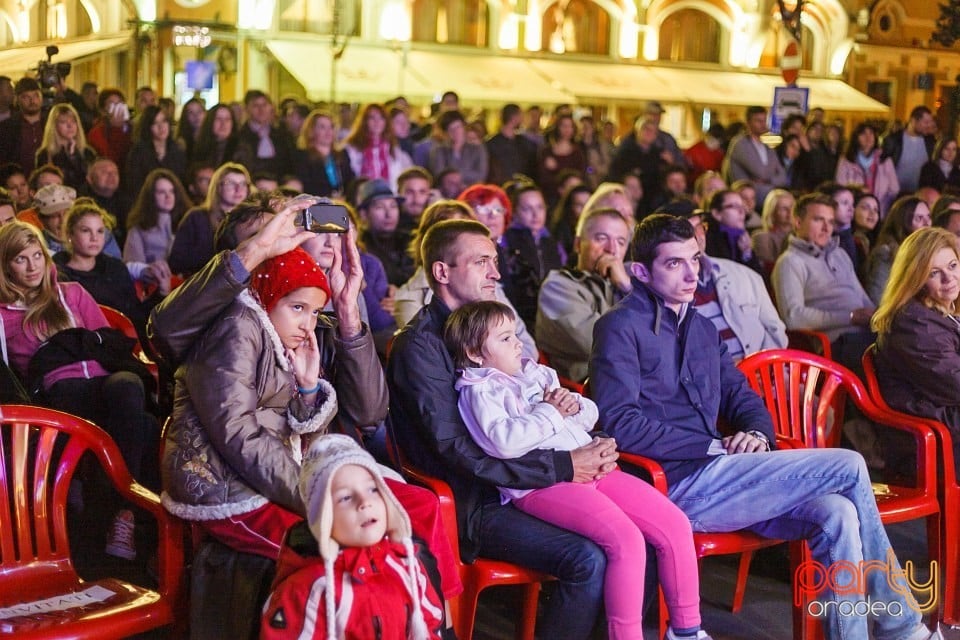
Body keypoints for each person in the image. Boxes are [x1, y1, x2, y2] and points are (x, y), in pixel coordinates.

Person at [589, 213, 943, 640]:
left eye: (695, 260)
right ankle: (902, 626)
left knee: (840, 512)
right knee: (848, 465)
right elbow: (619, 424)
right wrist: (712, 446)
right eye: (674, 264)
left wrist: (756, 434)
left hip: (721, 476)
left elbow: (744, 397)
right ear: (641, 271)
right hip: (671, 485)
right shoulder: (619, 327)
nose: (690, 275)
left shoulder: (700, 328)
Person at [387, 219, 612, 640]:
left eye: (495, 260)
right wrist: (562, 466)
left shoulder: (493, 326)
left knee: (637, 530)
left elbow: (532, 407)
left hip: (526, 480)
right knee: (588, 559)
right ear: (442, 272)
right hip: (477, 502)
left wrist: (583, 439)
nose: (496, 272)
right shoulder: (420, 345)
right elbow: (457, 452)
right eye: (482, 261)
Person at [447, 300, 709, 640]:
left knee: (674, 523)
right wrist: (551, 413)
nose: (518, 344)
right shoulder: (478, 390)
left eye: (515, 335)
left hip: (591, 467)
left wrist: (575, 405)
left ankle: (688, 631)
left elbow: (587, 417)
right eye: (505, 338)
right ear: (474, 352)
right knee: (626, 540)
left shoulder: (535, 373)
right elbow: (504, 442)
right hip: (544, 484)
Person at [0, 221, 159, 561]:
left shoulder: (71, 293)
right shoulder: (3, 316)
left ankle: (121, 511)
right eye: (20, 259)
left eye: (37, 256)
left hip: (104, 380)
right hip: (58, 393)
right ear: (5, 266)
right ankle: (116, 516)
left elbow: (109, 346)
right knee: (138, 426)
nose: (32, 267)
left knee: (130, 388)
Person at [261, 435, 445, 640]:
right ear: (322, 516)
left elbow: (430, 622)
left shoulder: (406, 565)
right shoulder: (307, 590)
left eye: (373, 489)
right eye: (346, 497)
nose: (364, 502)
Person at [872, 226, 960, 476]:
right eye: (935, 272)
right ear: (916, 279)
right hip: (931, 443)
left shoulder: (944, 309)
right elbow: (955, 385)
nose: (949, 278)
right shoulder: (913, 323)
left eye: (953, 265)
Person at [771, 193, 875, 372]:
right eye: (819, 220)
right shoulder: (790, 262)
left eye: (831, 221)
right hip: (836, 344)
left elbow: (863, 298)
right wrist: (850, 317)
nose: (827, 228)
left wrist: (880, 317)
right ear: (797, 223)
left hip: (865, 334)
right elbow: (794, 317)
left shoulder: (840, 254)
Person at [536, 207, 632, 382]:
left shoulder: (628, 281)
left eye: (621, 242)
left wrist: (626, 287)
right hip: (590, 392)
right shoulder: (558, 286)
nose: (612, 249)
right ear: (578, 244)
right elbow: (600, 343)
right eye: (601, 238)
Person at [53, 200, 157, 336]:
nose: (94, 238)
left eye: (100, 231)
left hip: (125, 343)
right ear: (70, 234)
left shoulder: (116, 268)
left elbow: (136, 314)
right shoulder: (57, 274)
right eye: (86, 230)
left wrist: (161, 292)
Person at [168, 162, 250, 276]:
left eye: (243, 184)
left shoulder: (250, 220)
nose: (238, 189)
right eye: (230, 183)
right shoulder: (196, 217)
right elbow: (176, 261)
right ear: (217, 186)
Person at [864, 195, 932, 305]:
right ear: (903, 223)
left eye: (928, 217)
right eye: (919, 218)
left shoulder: (926, 253)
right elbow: (877, 299)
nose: (927, 223)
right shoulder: (886, 253)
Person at [722, 106, 787, 206]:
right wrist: (772, 176)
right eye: (758, 121)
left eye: (764, 120)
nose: (763, 124)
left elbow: (783, 176)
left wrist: (767, 181)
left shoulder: (767, 148)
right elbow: (760, 172)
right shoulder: (740, 143)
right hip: (744, 201)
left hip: (765, 198)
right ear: (748, 123)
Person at [123, 105, 188, 201]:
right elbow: (134, 184)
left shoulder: (177, 151)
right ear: (148, 127)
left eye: (164, 121)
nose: (161, 127)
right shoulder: (138, 152)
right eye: (155, 123)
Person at [343, 103, 413, 192]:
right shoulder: (352, 148)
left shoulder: (392, 148)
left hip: (389, 196)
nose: (377, 122)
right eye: (372, 118)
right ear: (364, 121)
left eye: (381, 118)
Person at [836, 122, 900, 216]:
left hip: (879, 211)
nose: (868, 137)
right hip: (853, 211)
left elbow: (894, 188)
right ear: (856, 138)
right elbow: (840, 186)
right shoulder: (846, 160)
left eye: (871, 133)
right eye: (863, 134)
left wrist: (881, 205)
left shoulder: (885, 160)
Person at [234, 90, 295, 179]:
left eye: (264, 105)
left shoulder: (282, 135)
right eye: (256, 106)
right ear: (247, 109)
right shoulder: (239, 137)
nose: (261, 110)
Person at [294, 109, 355, 199]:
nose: (328, 131)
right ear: (311, 130)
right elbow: (307, 186)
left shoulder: (342, 154)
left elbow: (350, 181)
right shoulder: (303, 157)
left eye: (331, 127)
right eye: (322, 127)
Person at [34, 103, 96, 191]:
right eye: (63, 122)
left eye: (73, 121)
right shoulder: (44, 155)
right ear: (54, 126)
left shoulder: (88, 153)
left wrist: (74, 156)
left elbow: (88, 182)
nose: (70, 126)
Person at [881, 105, 937, 194]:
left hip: (919, 195)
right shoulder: (893, 140)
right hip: (893, 194)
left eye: (930, 122)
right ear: (913, 120)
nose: (929, 126)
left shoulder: (930, 142)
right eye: (926, 122)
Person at [704, 189, 761, 273]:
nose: (741, 212)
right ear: (717, 214)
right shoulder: (708, 239)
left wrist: (746, 253)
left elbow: (758, 276)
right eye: (734, 206)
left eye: (742, 206)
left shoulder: (743, 237)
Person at [428, 110, 488, 189]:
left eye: (458, 127)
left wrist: (454, 175)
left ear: (464, 127)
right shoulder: (439, 151)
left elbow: (481, 175)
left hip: (471, 191)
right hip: (447, 193)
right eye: (451, 129)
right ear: (446, 133)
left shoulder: (478, 148)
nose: (456, 132)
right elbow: (439, 176)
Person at [0, 78, 47, 175]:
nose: (32, 100)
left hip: (49, 180)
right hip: (19, 182)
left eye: (36, 95)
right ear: (17, 99)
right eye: (26, 97)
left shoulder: (51, 122)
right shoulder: (6, 127)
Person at [485, 103, 538, 186]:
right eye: (521, 115)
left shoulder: (490, 143)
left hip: (517, 186)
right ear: (514, 117)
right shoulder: (492, 144)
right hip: (503, 186)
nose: (523, 119)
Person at [751, 188, 794, 275]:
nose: (790, 212)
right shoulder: (762, 238)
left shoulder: (801, 235)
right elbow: (768, 270)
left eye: (792, 207)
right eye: (784, 208)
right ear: (772, 212)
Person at [192, 103, 240, 169]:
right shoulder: (200, 147)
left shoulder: (241, 150)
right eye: (218, 119)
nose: (223, 123)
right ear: (210, 121)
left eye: (227, 119)